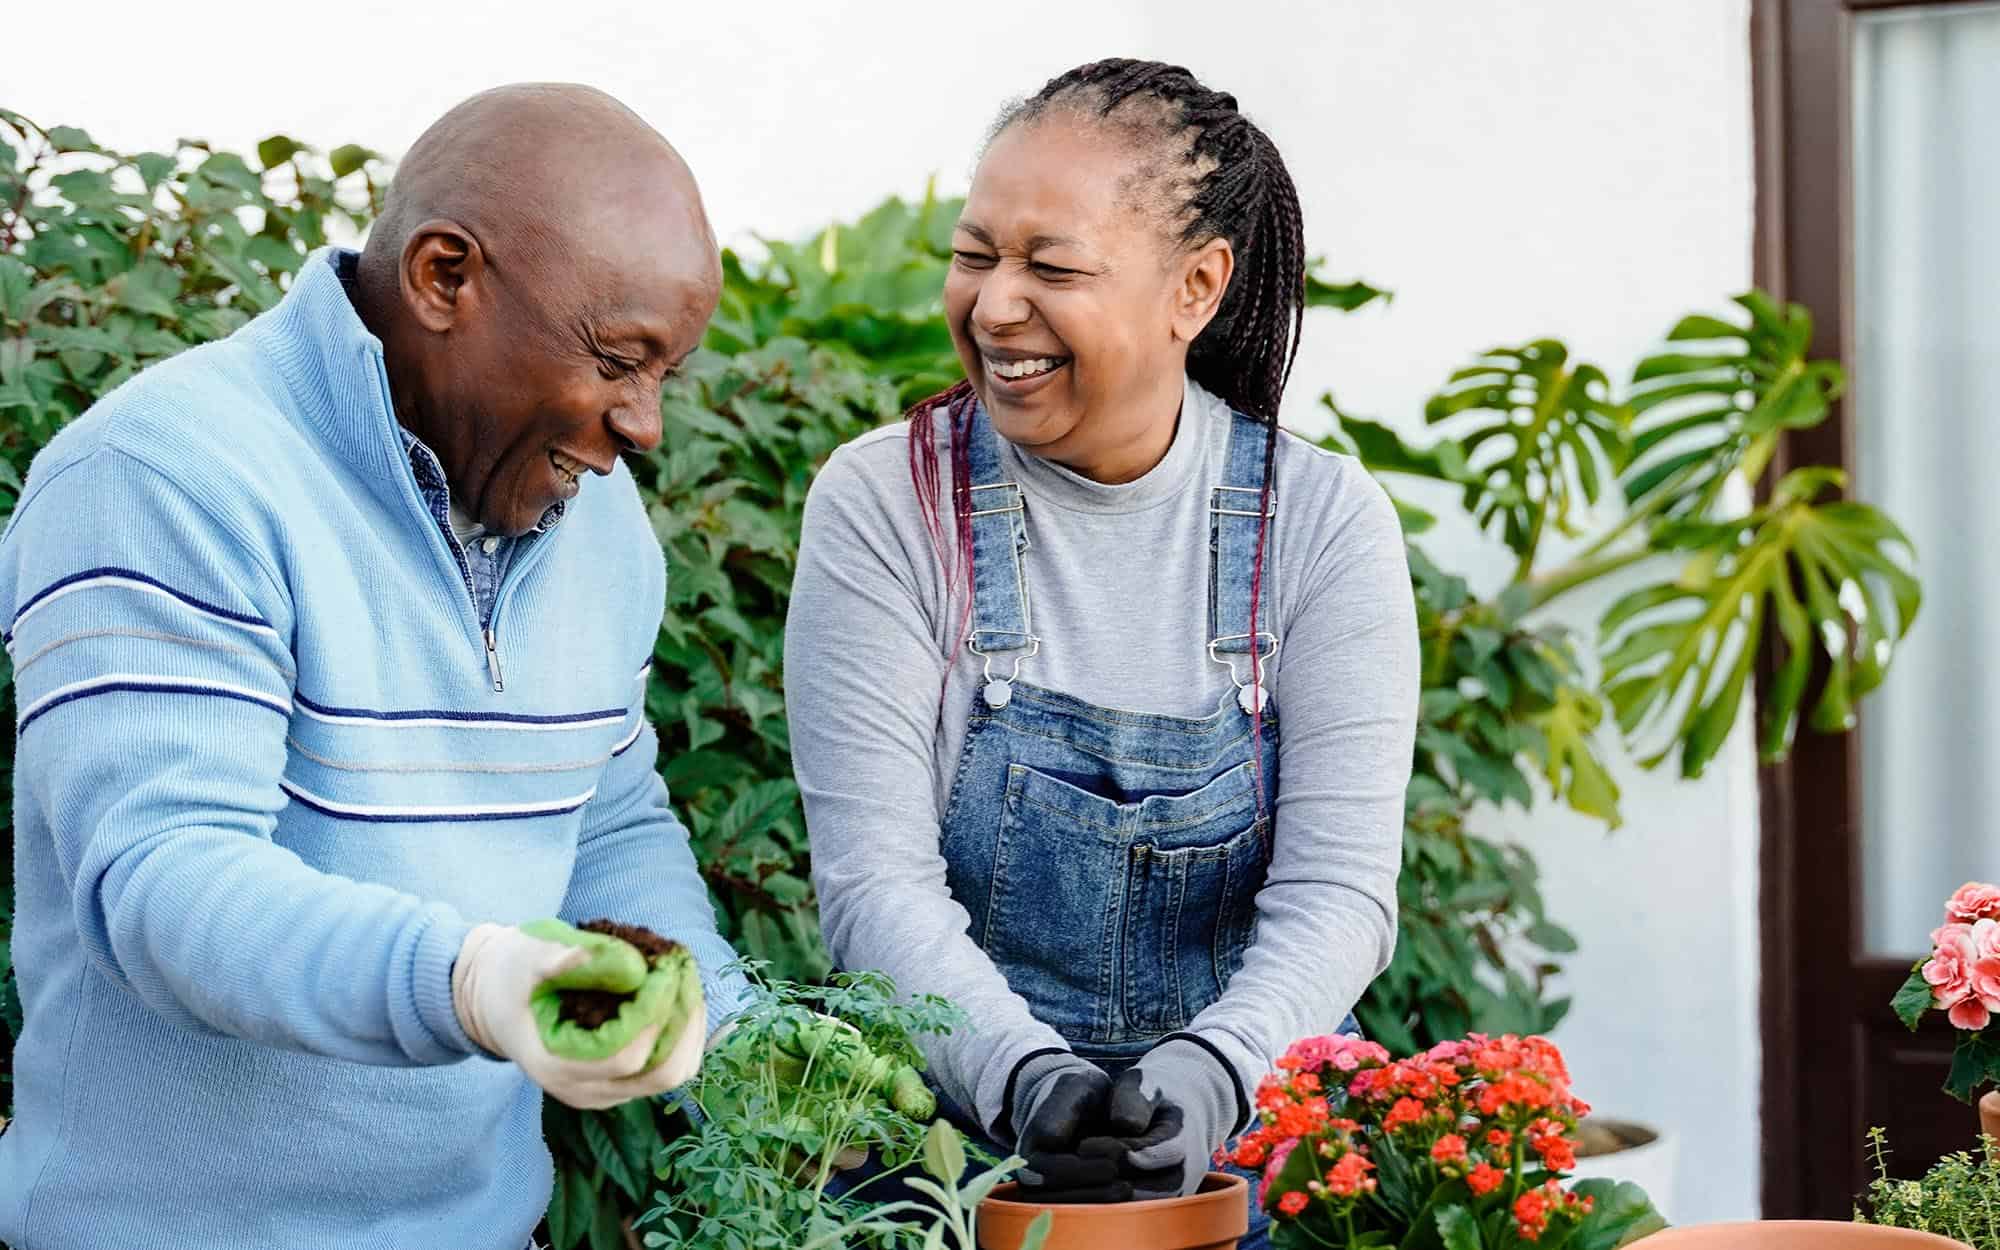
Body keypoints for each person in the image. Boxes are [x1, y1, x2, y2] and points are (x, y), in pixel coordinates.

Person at [0, 84, 749, 1250]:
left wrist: (744, 1045)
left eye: (668, 374)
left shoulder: (604, 532)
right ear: (445, 276)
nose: (644, 425)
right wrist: (473, 981)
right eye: (618, 358)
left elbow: (601, 825)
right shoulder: (165, 473)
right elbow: (165, 880)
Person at [786, 59, 1418, 1246]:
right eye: (974, 255)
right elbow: (873, 884)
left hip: (1231, 1161)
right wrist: (1029, 1078)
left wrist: (1210, 1072)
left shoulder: (1321, 525)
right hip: (947, 1168)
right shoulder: (889, 503)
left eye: (1053, 267)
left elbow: (1337, 893)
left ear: (1194, 287)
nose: (993, 305)